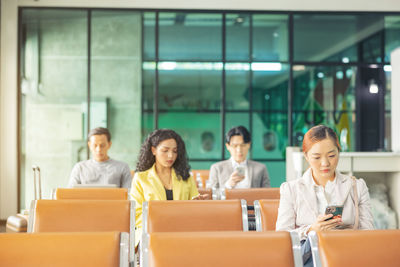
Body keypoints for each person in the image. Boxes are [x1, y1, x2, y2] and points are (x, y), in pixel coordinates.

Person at [276, 125, 374, 267]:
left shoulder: (357, 187)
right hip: (310, 259)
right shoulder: (291, 190)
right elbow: (283, 236)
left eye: (331, 155)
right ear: (306, 156)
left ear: (339, 153)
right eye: (316, 157)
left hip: (349, 257)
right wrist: (312, 230)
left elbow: (368, 233)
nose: (325, 163)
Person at [130, 129, 206, 247]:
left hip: (182, 231)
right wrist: (162, 224)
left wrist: (196, 204)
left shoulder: (186, 177)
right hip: (150, 233)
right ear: (153, 150)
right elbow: (137, 214)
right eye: (165, 151)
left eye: (175, 151)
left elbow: (194, 208)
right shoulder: (141, 178)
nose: (170, 156)